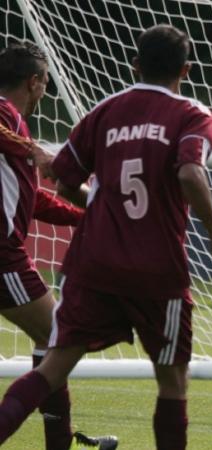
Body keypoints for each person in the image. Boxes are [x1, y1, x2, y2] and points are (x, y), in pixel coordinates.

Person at [0, 25, 212, 450]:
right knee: (171, 384)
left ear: (135, 65)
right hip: (157, 268)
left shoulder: (105, 111)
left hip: (94, 265)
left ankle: (57, 440)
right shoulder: (193, 115)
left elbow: (62, 181)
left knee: (51, 365)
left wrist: (98, 209)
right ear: (185, 69)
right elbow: (189, 172)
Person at [0, 42, 118, 450]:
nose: (46, 91)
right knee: (58, 339)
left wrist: (91, 214)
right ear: (33, 82)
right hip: (2, 259)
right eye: (45, 83)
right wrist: (34, 150)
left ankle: (60, 439)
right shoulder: (5, 115)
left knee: (51, 342)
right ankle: (59, 440)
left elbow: (33, 199)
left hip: (7, 256)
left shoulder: (14, 129)